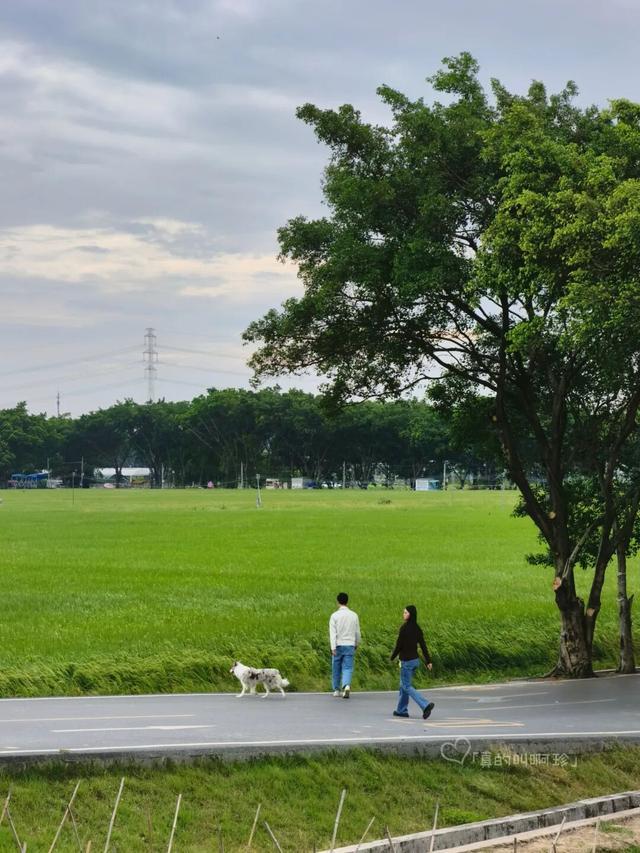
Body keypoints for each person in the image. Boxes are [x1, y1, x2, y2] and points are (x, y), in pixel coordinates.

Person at [390, 605, 435, 719]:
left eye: (405, 613)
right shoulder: (417, 628)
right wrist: (428, 661)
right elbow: (423, 645)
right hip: (415, 661)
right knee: (403, 685)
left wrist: (392, 657)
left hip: (406, 661)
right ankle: (401, 710)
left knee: (406, 686)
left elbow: (399, 645)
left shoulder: (404, 628)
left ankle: (425, 705)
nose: (403, 614)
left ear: (410, 614)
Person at [329, 592, 361, 698]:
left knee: (336, 667)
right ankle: (346, 685)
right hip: (350, 644)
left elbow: (332, 633)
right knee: (347, 667)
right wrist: (357, 643)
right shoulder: (354, 615)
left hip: (338, 645)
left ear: (338, 601)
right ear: (347, 601)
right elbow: (357, 632)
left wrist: (333, 647)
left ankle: (336, 690)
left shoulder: (334, 616)